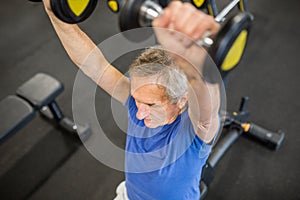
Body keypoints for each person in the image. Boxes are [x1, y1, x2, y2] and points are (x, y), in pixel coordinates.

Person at [42, 0, 221, 199]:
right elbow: (93, 64)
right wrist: (55, 12)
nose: (138, 112)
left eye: (151, 105)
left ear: (181, 101)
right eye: (137, 100)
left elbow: (207, 107)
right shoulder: (136, 99)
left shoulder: (192, 132)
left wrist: (197, 58)